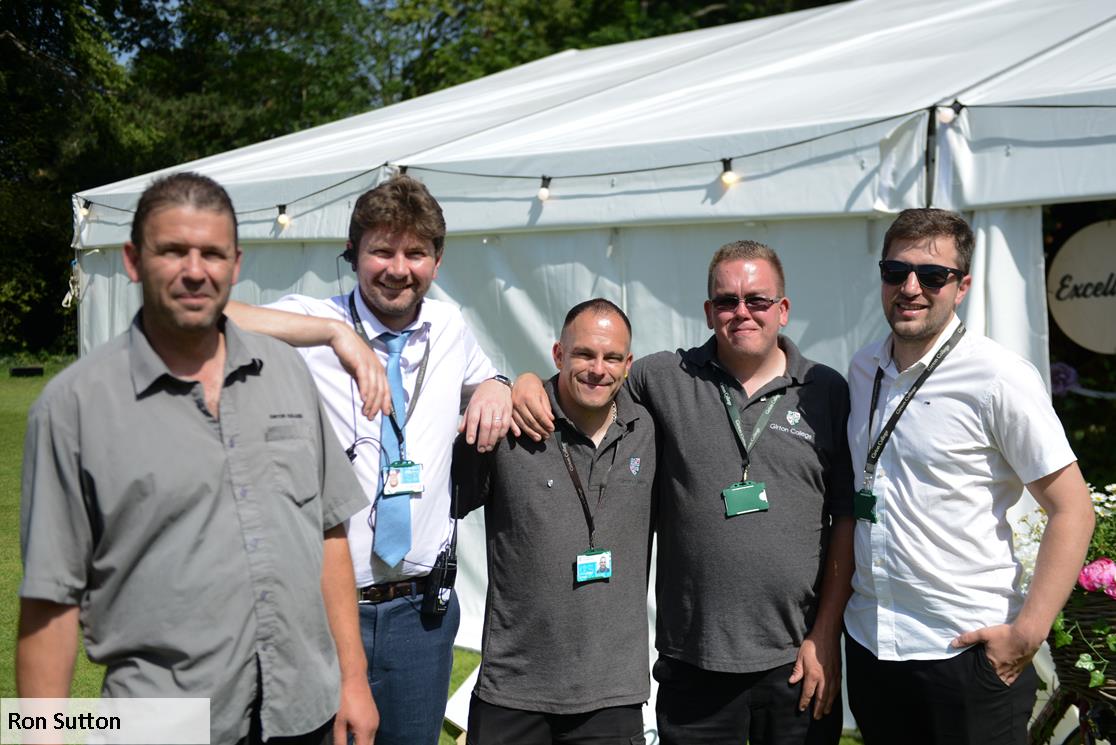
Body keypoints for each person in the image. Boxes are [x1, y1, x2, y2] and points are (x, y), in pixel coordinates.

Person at [16, 172, 377, 745]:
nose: (194, 270)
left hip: (302, 709)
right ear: (134, 261)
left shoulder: (286, 374)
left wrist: (353, 680)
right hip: (161, 724)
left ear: (235, 266)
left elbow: (331, 531)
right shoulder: (73, 406)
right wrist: (39, 738)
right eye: (172, 251)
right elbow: (48, 601)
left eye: (211, 253)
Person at [513, 241, 855, 745]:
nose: (742, 312)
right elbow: (589, 384)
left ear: (782, 309)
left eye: (757, 300)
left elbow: (845, 518)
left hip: (795, 661)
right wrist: (517, 382)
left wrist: (826, 634)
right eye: (727, 301)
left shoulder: (825, 389)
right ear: (708, 310)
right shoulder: (661, 378)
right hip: (694, 663)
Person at [227, 174, 512, 745]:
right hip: (320, 612)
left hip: (419, 615)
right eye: (381, 250)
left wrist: (500, 384)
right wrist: (334, 335)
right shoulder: (309, 320)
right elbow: (209, 315)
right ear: (353, 253)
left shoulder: (450, 326)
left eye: (416, 253)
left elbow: (488, 378)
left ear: (437, 258)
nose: (398, 268)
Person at [842, 208, 1095, 745]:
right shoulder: (863, 368)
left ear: (962, 287)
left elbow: (1073, 509)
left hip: (964, 652)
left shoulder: (998, 376)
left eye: (932, 275)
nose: (911, 287)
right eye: (896, 271)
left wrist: (1028, 632)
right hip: (874, 645)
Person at [452, 299, 656, 745]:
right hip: (514, 689)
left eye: (612, 357)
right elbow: (444, 502)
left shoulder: (649, 428)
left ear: (628, 364)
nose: (597, 369)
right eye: (584, 354)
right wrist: (500, 385)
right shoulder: (510, 424)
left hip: (613, 693)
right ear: (558, 354)